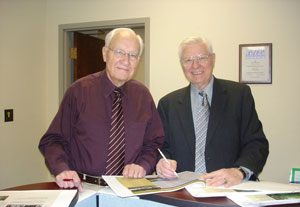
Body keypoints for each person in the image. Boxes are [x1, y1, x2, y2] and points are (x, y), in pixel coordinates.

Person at [39, 28, 164, 191]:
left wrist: (143, 165)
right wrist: (62, 169)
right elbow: (53, 139)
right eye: (119, 52)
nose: (126, 61)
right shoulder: (79, 91)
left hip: (130, 188)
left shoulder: (143, 95)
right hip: (85, 187)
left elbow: (154, 142)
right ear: (105, 53)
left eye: (132, 55)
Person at [156, 36, 269, 187]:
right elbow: (162, 147)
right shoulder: (167, 104)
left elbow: (257, 143)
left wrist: (239, 171)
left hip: (230, 188)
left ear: (213, 59)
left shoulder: (239, 95)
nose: (195, 65)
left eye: (201, 57)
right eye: (188, 60)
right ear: (181, 64)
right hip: (183, 191)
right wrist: (161, 162)